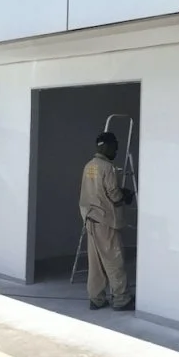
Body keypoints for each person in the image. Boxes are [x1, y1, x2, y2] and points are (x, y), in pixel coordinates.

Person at [78, 132, 135, 311]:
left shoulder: (89, 166)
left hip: (90, 219)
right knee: (114, 260)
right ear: (105, 146)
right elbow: (114, 195)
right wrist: (125, 195)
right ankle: (121, 299)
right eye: (114, 146)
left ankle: (96, 298)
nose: (116, 150)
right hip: (105, 221)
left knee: (95, 263)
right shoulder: (107, 167)